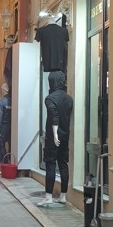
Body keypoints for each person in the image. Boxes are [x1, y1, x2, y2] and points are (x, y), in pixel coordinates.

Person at [37, 70, 73, 207]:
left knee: (50, 164)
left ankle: (48, 196)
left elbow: (54, 116)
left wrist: (55, 134)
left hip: (53, 137)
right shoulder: (69, 99)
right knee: (63, 164)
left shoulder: (50, 98)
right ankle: (63, 195)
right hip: (65, 136)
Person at [0, 83, 12, 162]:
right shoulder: (13, 101)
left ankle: (5, 162)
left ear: (3, 90)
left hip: (3, 125)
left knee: (1, 144)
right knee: (11, 143)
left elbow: (0, 115)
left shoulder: (1, 102)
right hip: (12, 125)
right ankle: (12, 161)